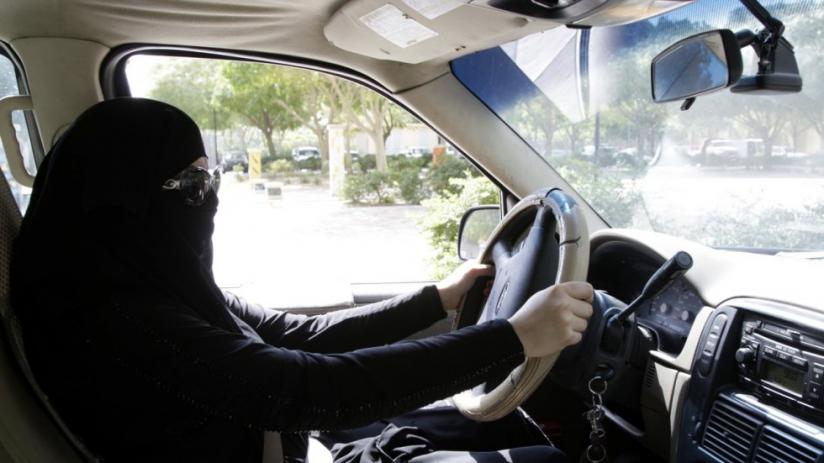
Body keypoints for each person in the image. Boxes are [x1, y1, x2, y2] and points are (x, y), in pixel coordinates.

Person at [11, 98, 593, 462]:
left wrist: (436, 300)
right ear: (119, 198)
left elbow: (295, 332)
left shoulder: (152, 282)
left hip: (278, 441)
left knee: (464, 425)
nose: (208, 200)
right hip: (278, 439)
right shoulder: (120, 320)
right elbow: (305, 391)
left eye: (209, 179)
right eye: (190, 188)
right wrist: (512, 339)